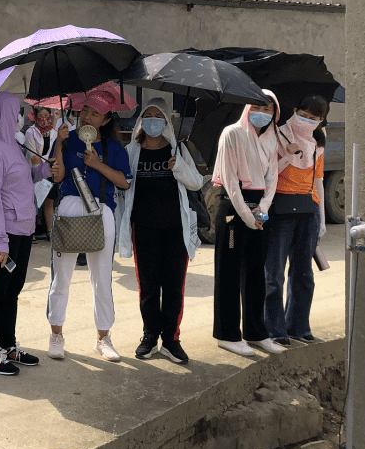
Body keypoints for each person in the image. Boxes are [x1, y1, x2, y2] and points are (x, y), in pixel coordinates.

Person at [45, 89, 131, 363]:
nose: (87, 117)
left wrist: (97, 165)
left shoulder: (115, 148)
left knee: (102, 279)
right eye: (85, 111)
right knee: (61, 277)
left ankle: (103, 338)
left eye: (95, 113)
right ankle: (56, 334)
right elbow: (56, 176)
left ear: (106, 120)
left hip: (102, 212)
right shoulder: (69, 140)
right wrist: (58, 143)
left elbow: (124, 182)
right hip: (70, 208)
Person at [0, 92, 57, 374]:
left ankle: (7, 346)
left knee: (12, 292)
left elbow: (22, 179)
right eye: (15, 110)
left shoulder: (13, 145)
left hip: (22, 229)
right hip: (3, 233)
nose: (20, 116)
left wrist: (45, 169)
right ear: (2, 113)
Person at [116, 100, 203, 364]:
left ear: (166, 122)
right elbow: (122, 188)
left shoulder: (178, 149)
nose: (153, 121)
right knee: (149, 287)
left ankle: (171, 340)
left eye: (159, 117)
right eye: (148, 116)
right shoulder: (131, 150)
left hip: (175, 229)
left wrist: (179, 167)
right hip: (144, 229)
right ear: (141, 121)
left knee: (174, 286)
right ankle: (150, 336)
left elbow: (197, 182)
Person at [211, 90, 286, 357]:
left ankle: (256, 332)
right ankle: (227, 334)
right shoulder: (232, 133)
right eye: (257, 107)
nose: (262, 114)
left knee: (256, 273)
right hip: (234, 211)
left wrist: (262, 210)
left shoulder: (271, 139)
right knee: (229, 272)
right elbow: (230, 182)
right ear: (247, 107)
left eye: (268, 110)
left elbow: (272, 178)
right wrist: (247, 215)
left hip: (259, 211)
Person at [264, 95, 329, 346]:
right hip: (281, 206)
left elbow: (318, 181)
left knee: (304, 273)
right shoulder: (278, 135)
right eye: (305, 114)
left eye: (315, 118)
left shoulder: (318, 142)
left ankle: (298, 326)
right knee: (274, 272)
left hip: (308, 207)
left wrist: (321, 216)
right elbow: (269, 173)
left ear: (321, 121)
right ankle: (274, 329)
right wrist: (288, 156)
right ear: (295, 110)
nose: (308, 121)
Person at [24, 105, 58, 235]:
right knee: (34, 201)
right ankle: (30, 231)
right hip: (34, 172)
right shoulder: (30, 132)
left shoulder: (54, 133)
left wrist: (45, 159)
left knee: (50, 201)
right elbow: (33, 158)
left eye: (46, 116)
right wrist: (48, 159)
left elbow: (55, 155)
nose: (43, 119)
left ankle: (50, 231)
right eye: (40, 117)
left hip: (49, 172)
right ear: (35, 118)